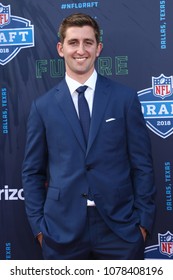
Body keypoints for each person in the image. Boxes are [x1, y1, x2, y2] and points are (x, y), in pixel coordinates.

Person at [22, 13, 156, 260]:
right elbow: (32, 172)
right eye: (73, 42)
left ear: (99, 48)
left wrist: (143, 224)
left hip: (119, 230)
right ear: (61, 49)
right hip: (61, 231)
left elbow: (142, 165)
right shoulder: (43, 107)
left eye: (88, 42)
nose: (80, 50)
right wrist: (40, 229)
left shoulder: (124, 99)